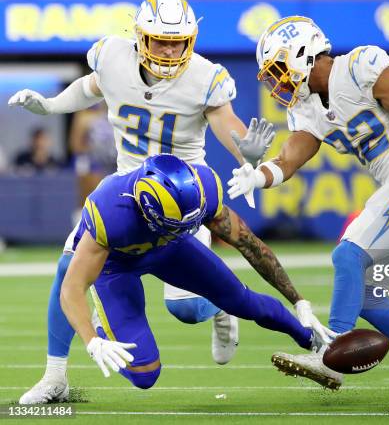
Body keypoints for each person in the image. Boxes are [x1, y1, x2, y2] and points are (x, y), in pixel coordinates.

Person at [8, 0, 275, 404]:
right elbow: (90, 87)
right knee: (68, 271)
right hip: (124, 189)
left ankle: (220, 306)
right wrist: (51, 105)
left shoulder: (205, 76)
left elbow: (229, 124)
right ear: (139, 37)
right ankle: (55, 376)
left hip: (180, 196)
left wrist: (248, 154)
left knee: (185, 310)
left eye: (178, 41)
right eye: (161, 40)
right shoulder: (113, 56)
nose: (170, 50)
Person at [227, 16, 389, 408]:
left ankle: (331, 353)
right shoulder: (306, 106)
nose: (278, 83)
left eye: (279, 70)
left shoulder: (359, 65)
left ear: (303, 55)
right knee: (367, 295)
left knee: (347, 253)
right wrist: (258, 176)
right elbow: (290, 158)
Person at [60, 153, 331, 388]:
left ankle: (313, 341)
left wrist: (299, 301)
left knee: (242, 300)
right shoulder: (110, 211)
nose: (186, 225)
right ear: (149, 211)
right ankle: (104, 323)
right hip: (116, 265)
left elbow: (250, 245)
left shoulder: (204, 187)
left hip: (169, 247)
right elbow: (71, 288)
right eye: (175, 223)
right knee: (145, 374)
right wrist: (92, 341)